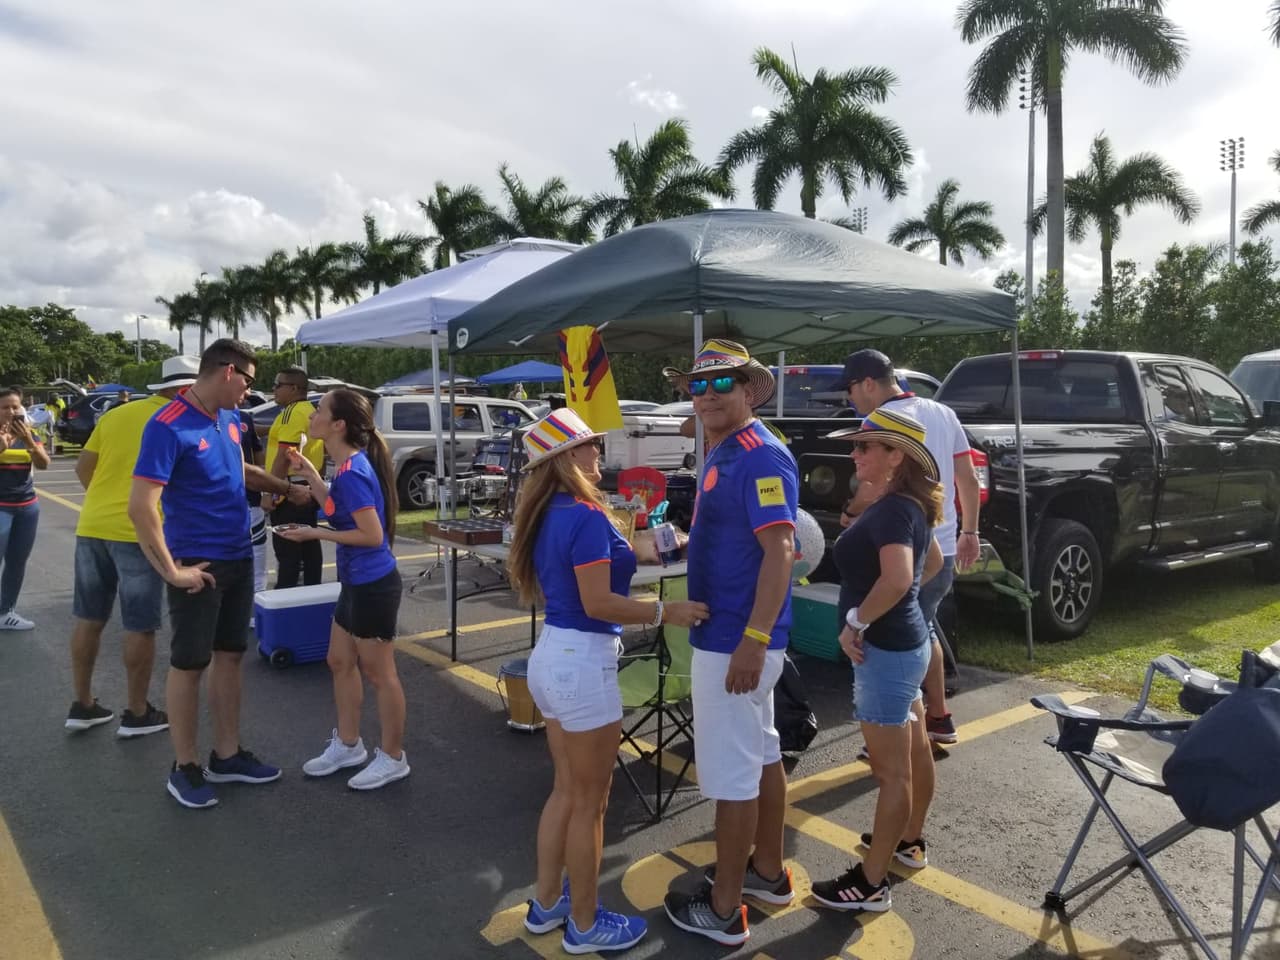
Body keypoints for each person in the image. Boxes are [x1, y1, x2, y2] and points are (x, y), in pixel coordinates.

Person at [507, 408, 708, 954]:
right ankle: (586, 923)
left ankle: (549, 906)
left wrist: (664, 541)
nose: (599, 453)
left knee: (567, 793)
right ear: (566, 458)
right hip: (584, 662)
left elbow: (623, 559)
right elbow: (600, 602)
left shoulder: (548, 512)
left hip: (552, 658)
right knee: (591, 804)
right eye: (590, 446)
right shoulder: (586, 516)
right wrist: (669, 611)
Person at [128, 339, 309, 810]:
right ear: (227, 371)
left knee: (230, 656)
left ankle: (226, 756)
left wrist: (287, 487)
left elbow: (239, 469)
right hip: (197, 564)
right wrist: (171, 571)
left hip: (237, 555)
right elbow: (141, 505)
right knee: (189, 664)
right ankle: (184, 767)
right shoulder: (167, 425)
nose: (251, 393)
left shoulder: (228, 420)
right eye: (249, 381)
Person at [661, 340, 798, 947]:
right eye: (699, 385)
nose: (708, 396)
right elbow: (736, 539)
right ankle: (765, 872)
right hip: (730, 635)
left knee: (732, 775)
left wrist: (754, 638)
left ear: (749, 390)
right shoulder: (725, 449)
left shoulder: (760, 456)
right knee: (761, 755)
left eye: (722, 385)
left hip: (736, 641)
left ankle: (723, 910)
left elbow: (781, 553)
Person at [810, 407, 943, 913]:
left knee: (892, 773)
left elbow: (897, 577)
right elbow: (926, 566)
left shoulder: (891, 511)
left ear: (896, 456)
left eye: (865, 446)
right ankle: (907, 843)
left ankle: (870, 883)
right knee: (912, 750)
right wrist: (901, 604)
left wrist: (858, 622)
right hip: (904, 645)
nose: (854, 453)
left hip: (885, 651)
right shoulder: (906, 505)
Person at [839, 349, 981, 745]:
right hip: (943, 542)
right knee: (922, 631)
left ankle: (897, 732)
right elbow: (967, 479)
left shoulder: (878, 423)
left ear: (869, 383)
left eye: (850, 391)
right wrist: (970, 531)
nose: (850, 400)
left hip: (898, 546)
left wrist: (851, 514)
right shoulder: (943, 412)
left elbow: (871, 486)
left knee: (892, 640)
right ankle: (936, 717)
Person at [278, 390, 410, 791]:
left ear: (338, 425)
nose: (312, 416)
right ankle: (349, 745)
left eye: (319, 411)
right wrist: (313, 477)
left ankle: (393, 757)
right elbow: (338, 508)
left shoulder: (353, 471)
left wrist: (312, 532)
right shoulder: (347, 466)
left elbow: (372, 536)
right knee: (339, 660)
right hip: (356, 583)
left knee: (380, 673)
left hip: (373, 585)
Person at [64, 356, 199, 736]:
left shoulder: (115, 415)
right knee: (140, 624)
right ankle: (137, 712)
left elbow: (82, 468)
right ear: (187, 389)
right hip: (140, 531)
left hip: (92, 526)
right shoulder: (181, 419)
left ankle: (83, 703)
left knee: (89, 617)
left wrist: (104, 503)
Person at [265, 367, 324, 588]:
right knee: (308, 547)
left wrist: (269, 491)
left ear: (294, 388)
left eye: (278, 385)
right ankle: (310, 593)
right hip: (306, 486)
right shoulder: (307, 410)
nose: (274, 390)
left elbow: (284, 456)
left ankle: (285, 598)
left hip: (289, 489)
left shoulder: (292, 412)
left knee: (287, 550)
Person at [0, 387, 50, 630]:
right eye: (5, 407)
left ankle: (5, 612)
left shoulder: (29, 433)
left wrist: (29, 441)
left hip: (27, 507)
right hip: (1, 508)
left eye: (15, 406)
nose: (11, 411)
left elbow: (43, 464)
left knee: (17, 562)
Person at [237, 399, 268, 595]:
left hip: (250, 501)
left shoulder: (243, 418)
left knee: (257, 560)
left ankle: (256, 614)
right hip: (219, 508)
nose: (247, 392)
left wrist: (265, 491)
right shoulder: (192, 420)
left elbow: (258, 459)